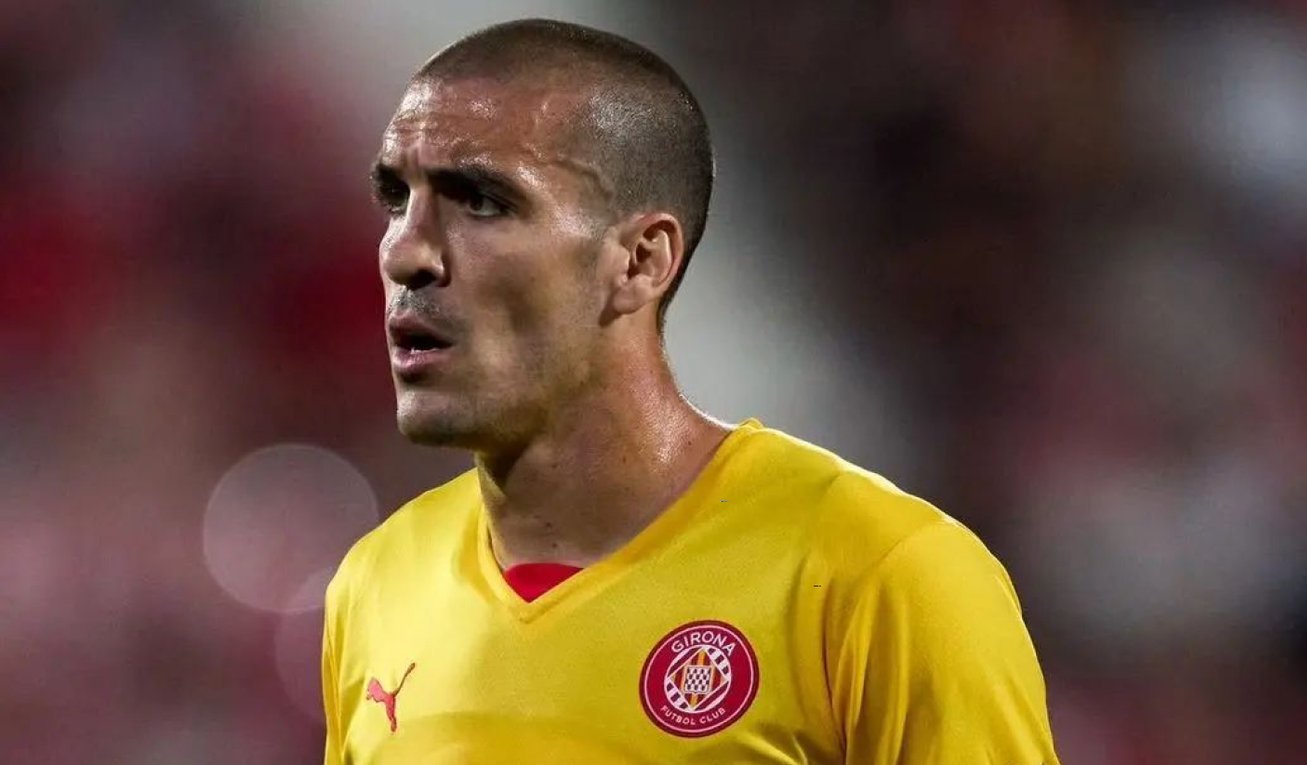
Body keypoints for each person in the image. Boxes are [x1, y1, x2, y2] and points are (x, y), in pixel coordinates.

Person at [322, 18, 1059, 765]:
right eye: (396, 199)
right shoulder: (377, 583)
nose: (404, 251)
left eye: (481, 201)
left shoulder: (880, 572)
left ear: (641, 262)